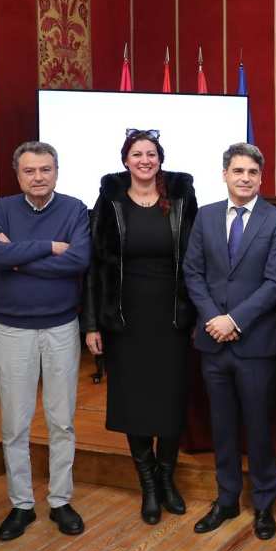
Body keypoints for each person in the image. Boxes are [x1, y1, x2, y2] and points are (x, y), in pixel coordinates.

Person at [82, 129, 197, 525]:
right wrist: (93, 322)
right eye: (137, 154)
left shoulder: (182, 197)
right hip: (125, 318)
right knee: (134, 401)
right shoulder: (110, 199)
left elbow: (197, 258)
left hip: (173, 314)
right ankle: (147, 484)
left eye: (151, 153)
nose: (144, 160)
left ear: (160, 159)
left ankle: (167, 479)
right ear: (126, 160)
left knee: (169, 398)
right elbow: (95, 265)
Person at [0, 141, 91, 540]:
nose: (38, 177)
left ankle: (60, 500)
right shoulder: (2, 208)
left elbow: (78, 261)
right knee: (14, 423)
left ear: (56, 171)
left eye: (45, 169)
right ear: (18, 175)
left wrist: (18, 259)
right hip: (12, 329)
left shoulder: (75, 208)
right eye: (30, 171)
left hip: (61, 327)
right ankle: (21, 504)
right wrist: (47, 248)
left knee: (61, 420)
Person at [182, 143, 276, 540]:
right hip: (213, 342)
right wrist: (213, 318)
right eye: (238, 171)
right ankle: (226, 499)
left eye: (252, 173)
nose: (245, 178)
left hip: (254, 343)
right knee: (222, 427)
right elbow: (193, 272)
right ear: (225, 174)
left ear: (261, 178)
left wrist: (234, 320)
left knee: (258, 427)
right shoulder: (207, 216)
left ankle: (264, 505)